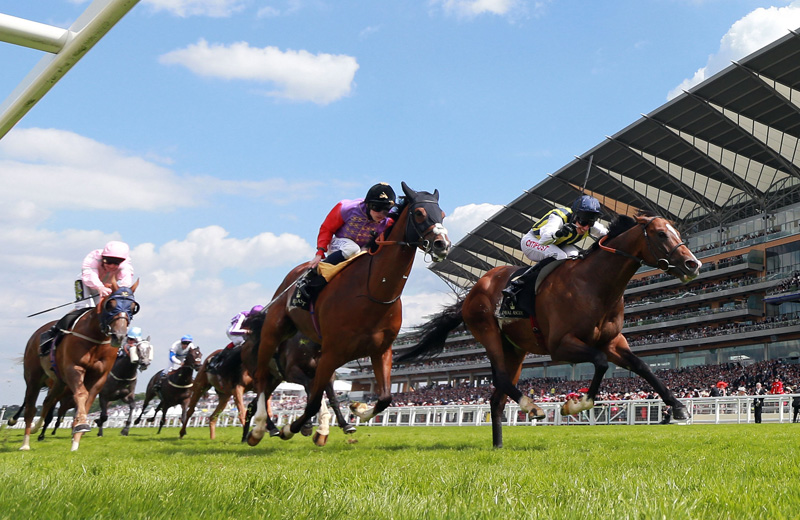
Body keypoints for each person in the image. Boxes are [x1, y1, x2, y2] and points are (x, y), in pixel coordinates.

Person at [294, 182, 397, 306]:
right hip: (340, 244)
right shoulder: (346, 208)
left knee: (364, 255)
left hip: (361, 250)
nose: (381, 214)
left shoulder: (389, 221)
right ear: (368, 204)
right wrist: (319, 253)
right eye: (377, 208)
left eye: (386, 210)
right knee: (352, 249)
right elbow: (327, 228)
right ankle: (312, 275)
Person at [503, 195, 608, 303]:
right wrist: (559, 232)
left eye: (590, 223)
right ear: (575, 216)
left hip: (558, 244)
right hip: (533, 241)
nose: (586, 227)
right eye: (583, 222)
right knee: (560, 255)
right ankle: (517, 284)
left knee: (575, 257)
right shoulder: (558, 217)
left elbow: (609, 234)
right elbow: (544, 240)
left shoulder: (590, 226)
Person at [75, 241, 134, 308]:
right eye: (108, 261)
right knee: (83, 306)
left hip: (105, 287)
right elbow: (90, 275)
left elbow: (126, 280)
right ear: (102, 257)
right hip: (85, 283)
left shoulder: (125, 264)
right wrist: (100, 287)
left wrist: (121, 290)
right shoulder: (93, 257)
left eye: (116, 263)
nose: (111, 266)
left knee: (105, 309)